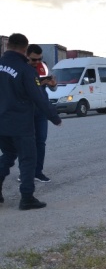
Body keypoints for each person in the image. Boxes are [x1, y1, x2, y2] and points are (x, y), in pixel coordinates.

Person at [0, 33, 62, 210]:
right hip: (20, 123)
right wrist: (54, 117)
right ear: (25, 49)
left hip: (1, 121)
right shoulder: (26, 70)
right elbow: (38, 97)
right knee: (28, 158)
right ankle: (27, 198)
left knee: (9, 154)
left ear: (7, 46)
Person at [25, 44, 58, 182]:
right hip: (26, 111)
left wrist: (52, 84)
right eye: (34, 60)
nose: (37, 62)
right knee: (26, 143)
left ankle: (38, 172)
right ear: (26, 56)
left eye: (39, 59)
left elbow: (54, 89)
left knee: (40, 141)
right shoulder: (22, 68)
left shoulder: (42, 66)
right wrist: (40, 82)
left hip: (41, 110)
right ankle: (26, 173)